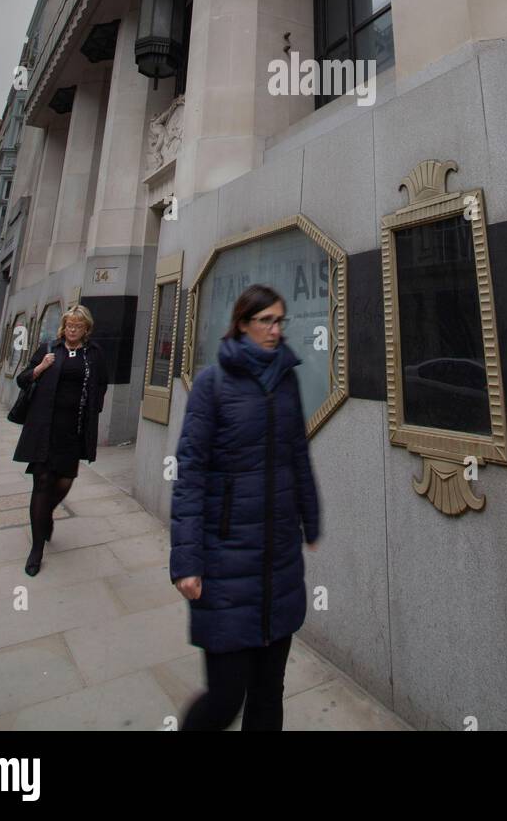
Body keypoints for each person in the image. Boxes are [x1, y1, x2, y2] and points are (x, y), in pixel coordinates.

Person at [170, 284, 321, 732]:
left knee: (269, 693)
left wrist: (311, 521)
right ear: (242, 324)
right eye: (266, 321)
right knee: (225, 697)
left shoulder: (286, 379)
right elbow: (190, 476)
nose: (276, 330)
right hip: (226, 557)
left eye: (280, 321)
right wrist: (186, 561)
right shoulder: (212, 385)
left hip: (278, 557)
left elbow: (297, 454)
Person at [12, 305, 109, 577]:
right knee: (42, 480)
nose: (73, 330)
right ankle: (37, 548)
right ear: (63, 327)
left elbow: (102, 383)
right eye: (69, 325)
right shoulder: (49, 349)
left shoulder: (94, 353)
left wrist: (94, 409)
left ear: (86, 328)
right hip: (45, 427)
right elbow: (23, 379)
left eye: (78, 326)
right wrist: (40, 368)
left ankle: (46, 514)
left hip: (74, 429)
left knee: (65, 479)